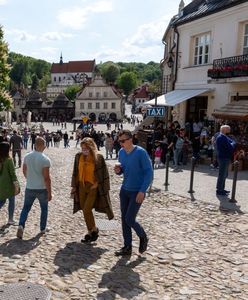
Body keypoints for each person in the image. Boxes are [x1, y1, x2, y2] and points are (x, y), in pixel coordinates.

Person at [114, 130, 153, 256]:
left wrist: (142, 191)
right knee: (124, 220)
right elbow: (122, 171)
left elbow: (149, 173)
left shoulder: (140, 152)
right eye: (119, 141)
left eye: (123, 141)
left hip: (137, 191)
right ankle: (127, 247)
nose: (121, 143)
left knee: (130, 219)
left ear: (130, 139)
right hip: (125, 190)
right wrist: (118, 171)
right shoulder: (121, 152)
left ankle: (143, 236)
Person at [71, 137, 114, 243]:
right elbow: (75, 172)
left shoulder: (98, 157)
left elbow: (104, 173)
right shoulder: (78, 156)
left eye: (86, 148)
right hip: (81, 186)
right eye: (82, 148)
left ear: (91, 147)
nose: (84, 150)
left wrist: (97, 184)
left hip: (92, 187)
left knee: (86, 209)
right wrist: (73, 186)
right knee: (85, 210)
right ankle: (91, 231)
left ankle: (93, 229)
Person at [17, 137, 52, 239]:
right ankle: (42, 228)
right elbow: (47, 178)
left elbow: (24, 170)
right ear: (44, 146)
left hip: (30, 187)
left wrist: (30, 178)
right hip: (42, 189)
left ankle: (21, 225)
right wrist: (50, 192)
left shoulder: (27, 157)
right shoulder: (45, 159)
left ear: (35, 145)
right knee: (44, 209)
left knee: (26, 208)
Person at [0, 142, 19, 225]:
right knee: (11, 201)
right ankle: (10, 219)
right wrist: (16, 185)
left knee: (2, 201)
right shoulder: (9, 160)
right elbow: (13, 174)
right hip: (9, 185)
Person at [216, 125, 236, 197]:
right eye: (228, 128)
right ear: (224, 130)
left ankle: (222, 188)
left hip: (224, 157)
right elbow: (231, 146)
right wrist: (233, 144)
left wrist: (232, 143)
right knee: (222, 174)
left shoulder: (223, 137)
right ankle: (219, 190)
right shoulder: (222, 137)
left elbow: (232, 141)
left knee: (224, 174)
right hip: (223, 158)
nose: (229, 129)